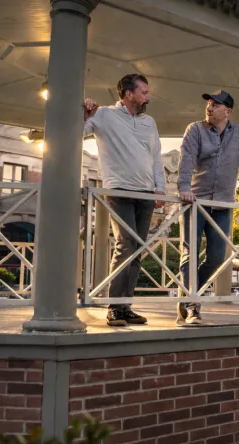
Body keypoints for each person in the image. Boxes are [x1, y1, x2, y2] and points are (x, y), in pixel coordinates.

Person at [83, 74, 166, 327]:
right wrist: (84, 114)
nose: (147, 97)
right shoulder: (105, 115)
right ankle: (114, 307)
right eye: (143, 92)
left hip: (145, 193)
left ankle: (125, 306)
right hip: (119, 190)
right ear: (129, 94)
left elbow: (155, 156)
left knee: (138, 249)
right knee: (126, 244)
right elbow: (74, 133)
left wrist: (159, 188)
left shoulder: (149, 122)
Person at [177, 90, 239, 324]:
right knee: (190, 255)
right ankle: (193, 305)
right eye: (208, 103)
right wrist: (183, 187)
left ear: (228, 111)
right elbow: (186, 160)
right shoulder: (195, 130)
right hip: (195, 202)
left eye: (215, 104)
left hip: (223, 205)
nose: (209, 107)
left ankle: (186, 296)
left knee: (216, 258)